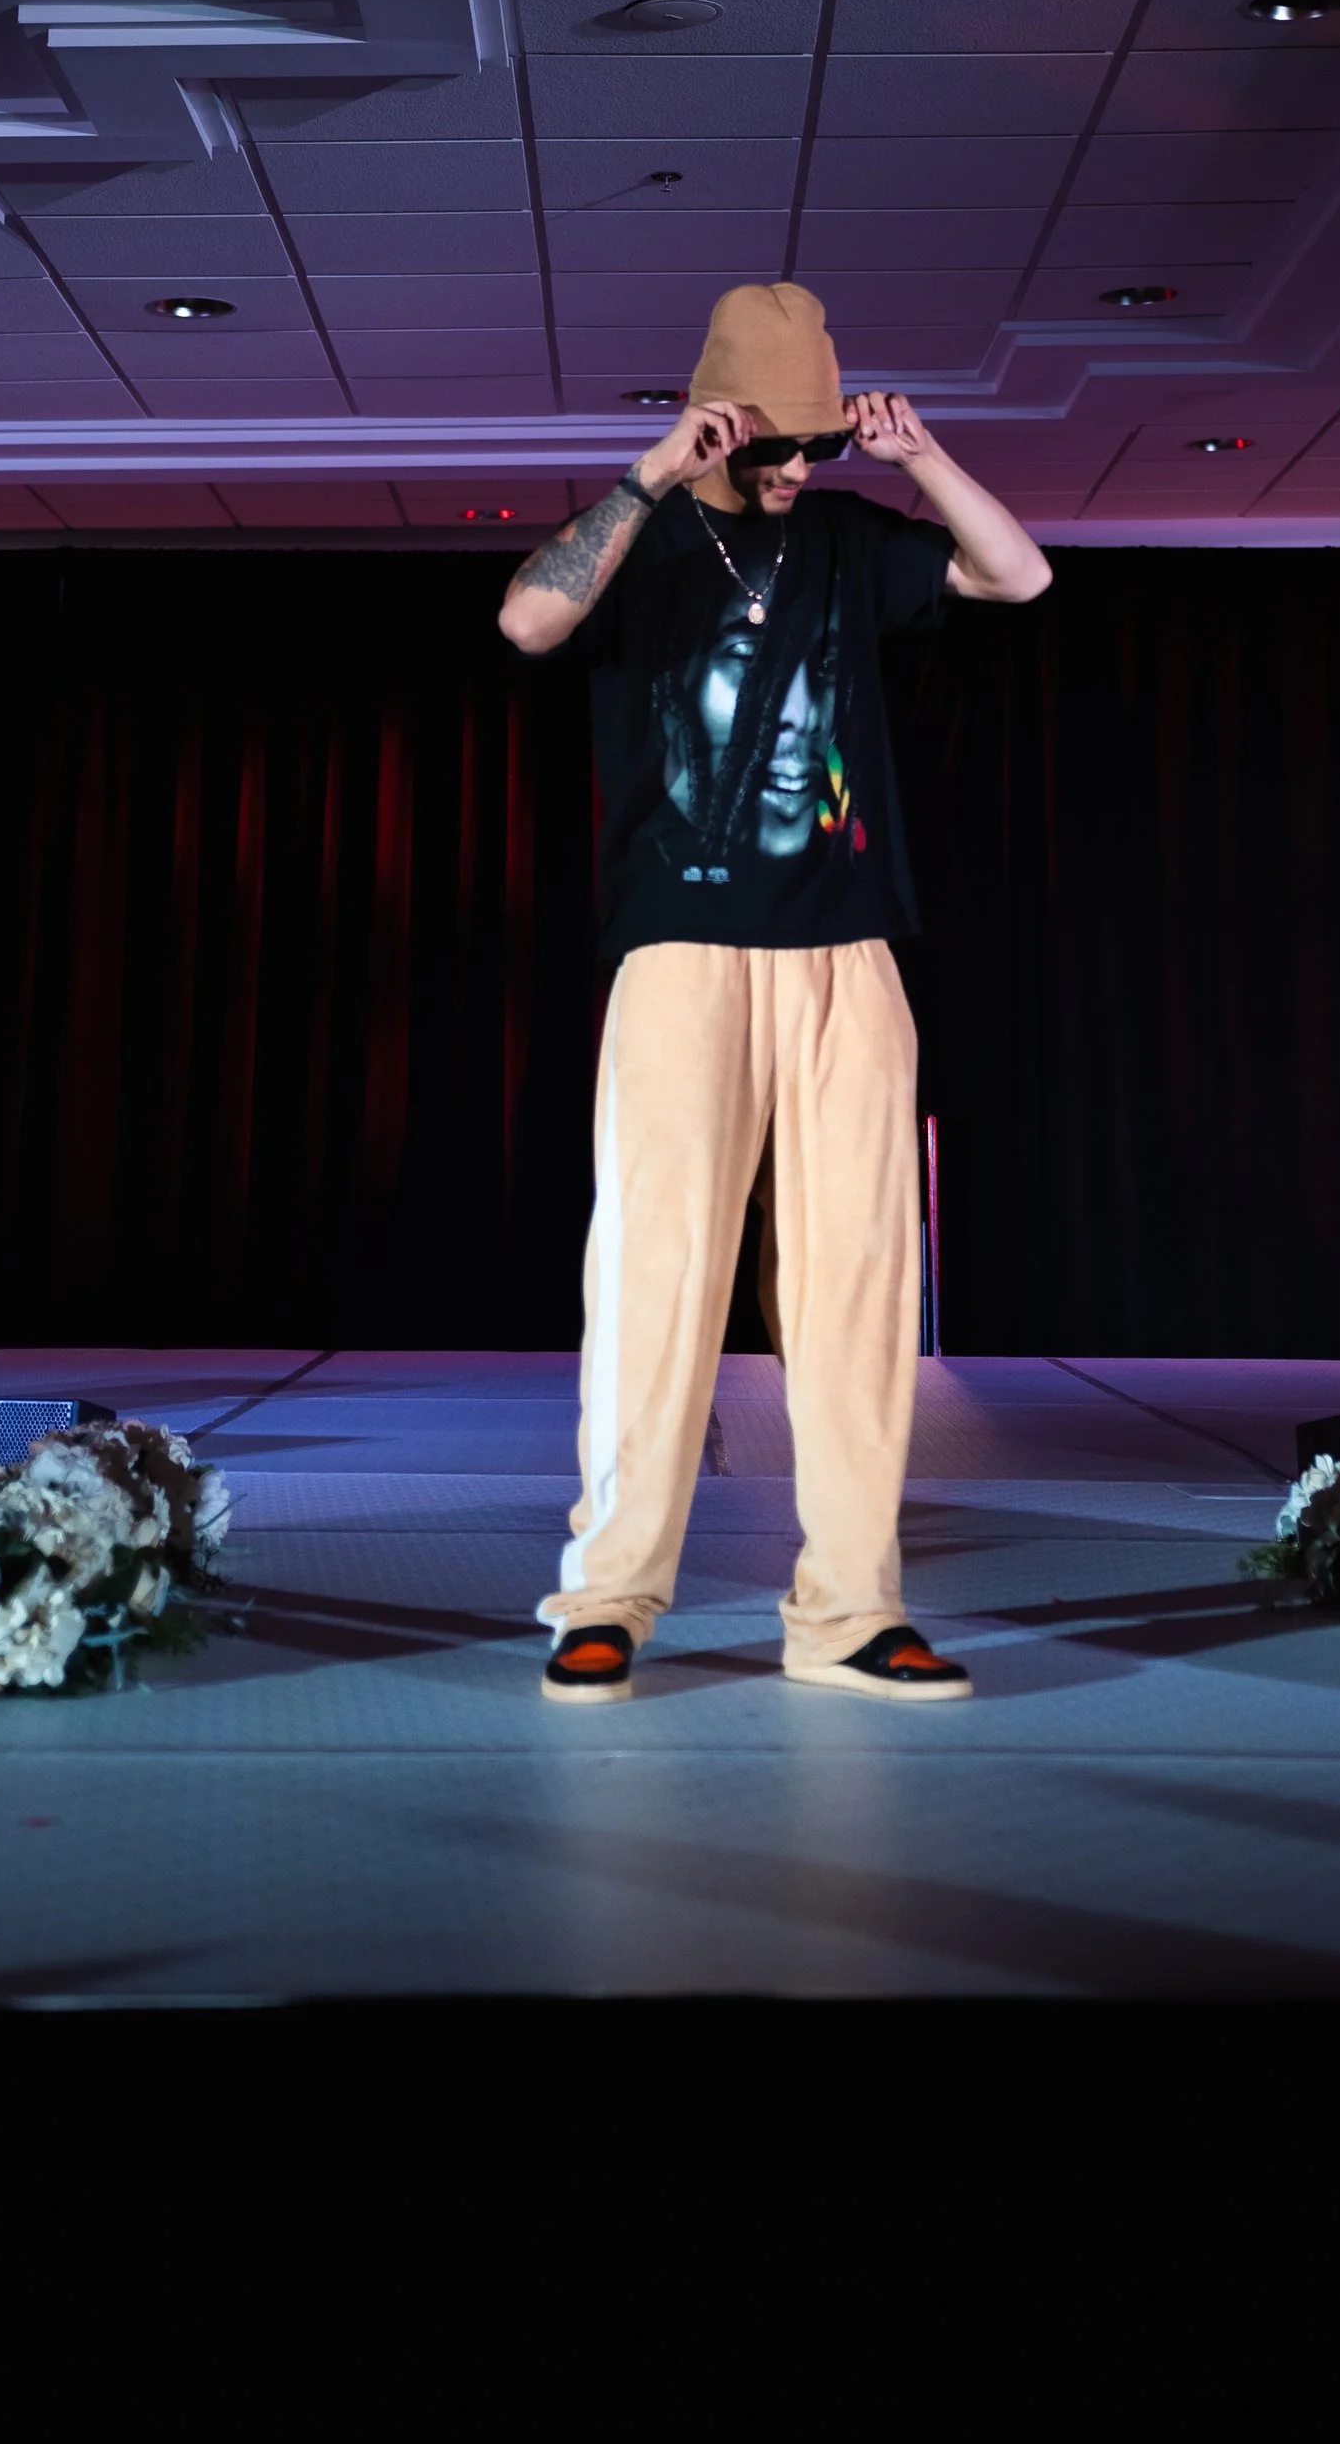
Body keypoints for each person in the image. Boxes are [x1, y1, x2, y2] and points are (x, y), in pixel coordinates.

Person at [497, 281, 1051, 1704]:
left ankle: (853, 1611)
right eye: (777, 443)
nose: (801, 466)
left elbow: (1021, 574)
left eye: (821, 442)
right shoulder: (649, 538)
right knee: (656, 1281)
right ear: (719, 421)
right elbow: (525, 623)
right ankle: (605, 1597)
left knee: (860, 1287)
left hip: (848, 951)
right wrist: (643, 476)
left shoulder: (854, 540)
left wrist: (919, 455)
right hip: (678, 957)